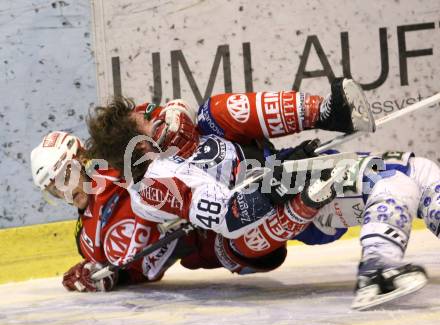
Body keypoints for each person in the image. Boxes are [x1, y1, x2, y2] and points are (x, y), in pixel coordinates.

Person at [86, 77, 439, 309]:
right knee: (395, 181)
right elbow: (230, 216)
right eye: (150, 119)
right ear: (142, 147)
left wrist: (283, 168)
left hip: (278, 179)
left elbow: (192, 117)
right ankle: (376, 271)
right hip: (265, 223)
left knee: (418, 170)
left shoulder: (176, 141)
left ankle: (328, 113)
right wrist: (283, 181)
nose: (161, 115)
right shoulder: (157, 183)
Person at [30, 131, 291, 292]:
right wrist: (112, 277)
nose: (64, 193)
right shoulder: (87, 243)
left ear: (82, 159)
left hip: (229, 189)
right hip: (223, 250)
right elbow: (139, 269)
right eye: (54, 190)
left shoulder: (119, 164)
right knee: (286, 231)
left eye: (65, 177)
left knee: (295, 198)